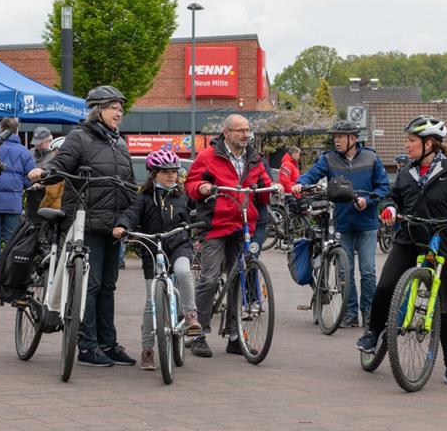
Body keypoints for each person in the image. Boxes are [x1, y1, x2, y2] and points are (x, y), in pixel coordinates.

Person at [356, 116, 447, 387]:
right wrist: (389, 207)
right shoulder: (407, 172)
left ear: (429, 144)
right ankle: (373, 333)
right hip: (409, 239)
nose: (407, 145)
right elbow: (392, 195)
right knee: (385, 287)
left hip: (444, 243)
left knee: (446, 308)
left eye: (411, 141)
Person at [31, 85, 137, 367]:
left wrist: (133, 213)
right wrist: (45, 172)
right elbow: (62, 163)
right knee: (91, 284)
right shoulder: (79, 137)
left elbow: (128, 182)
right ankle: (87, 346)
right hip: (86, 221)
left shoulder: (119, 143)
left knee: (108, 286)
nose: (118, 113)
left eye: (120, 109)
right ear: (97, 111)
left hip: (113, 224)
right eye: (113, 108)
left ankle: (108, 343)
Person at [185, 113, 278, 358]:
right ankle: (198, 334)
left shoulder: (254, 158)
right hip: (215, 225)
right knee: (210, 277)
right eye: (240, 130)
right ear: (226, 133)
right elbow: (191, 185)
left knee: (239, 277)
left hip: (242, 223)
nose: (246, 134)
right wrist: (202, 187)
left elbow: (263, 187)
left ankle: (235, 335)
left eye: (248, 130)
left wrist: (273, 188)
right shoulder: (208, 156)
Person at [292, 120, 390, 329]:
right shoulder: (328, 159)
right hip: (343, 223)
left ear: (353, 138)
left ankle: (369, 313)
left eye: (340, 137)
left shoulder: (371, 158)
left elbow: (383, 187)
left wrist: (368, 200)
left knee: (368, 271)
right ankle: (350, 313)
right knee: (345, 271)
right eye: (334, 137)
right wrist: (300, 183)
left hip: (367, 223)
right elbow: (312, 173)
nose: (336, 141)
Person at [112, 149, 201, 370]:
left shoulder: (182, 197)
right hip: (152, 249)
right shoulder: (143, 198)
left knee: (183, 272)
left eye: (174, 171)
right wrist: (122, 226)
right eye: (165, 172)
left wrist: (202, 225)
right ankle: (148, 349)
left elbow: (198, 214)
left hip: (178, 245)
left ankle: (191, 315)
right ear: (154, 174)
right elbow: (131, 213)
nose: (171, 175)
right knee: (151, 302)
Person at [0, 118, 36, 270]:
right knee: (11, 238)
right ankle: (8, 272)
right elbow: (31, 177)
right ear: (17, 131)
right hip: (13, 202)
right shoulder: (24, 151)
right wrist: (20, 186)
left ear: (0, 128)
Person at [25, 126, 54, 224]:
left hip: (49, 198)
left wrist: (41, 185)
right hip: (32, 198)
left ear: (49, 141)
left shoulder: (56, 154)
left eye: (40, 143)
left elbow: (58, 180)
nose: (37, 145)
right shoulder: (30, 153)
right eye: (36, 142)